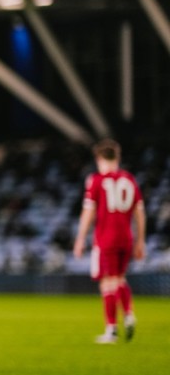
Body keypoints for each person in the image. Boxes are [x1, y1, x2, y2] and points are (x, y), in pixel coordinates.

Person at [72, 138, 145, 345]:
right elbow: (140, 212)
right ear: (118, 157)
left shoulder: (96, 180)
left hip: (106, 237)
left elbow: (89, 211)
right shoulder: (129, 179)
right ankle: (128, 313)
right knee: (120, 278)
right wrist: (140, 241)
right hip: (126, 237)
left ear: (98, 158)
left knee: (107, 283)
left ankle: (111, 330)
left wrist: (80, 238)